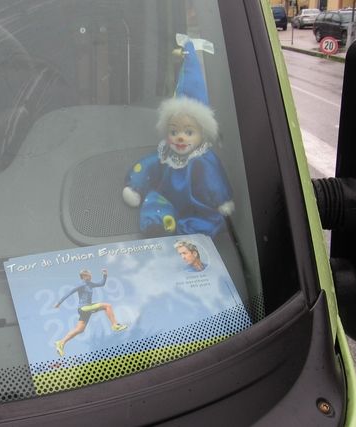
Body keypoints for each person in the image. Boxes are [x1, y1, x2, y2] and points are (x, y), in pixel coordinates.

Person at [122, 35, 234, 238]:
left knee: (208, 219)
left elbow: (214, 181)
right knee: (154, 200)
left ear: (202, 133)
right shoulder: (166, 154)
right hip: (166, 198)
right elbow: (148, 165)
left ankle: (183, 228)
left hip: (196, 204)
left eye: (189, 132)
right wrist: (136, 185)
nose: (180, 138)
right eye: (174, 131)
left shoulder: (204, 159)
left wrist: (222, 201)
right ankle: (158, 224)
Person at [54, 268, 127, 357]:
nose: (91, 275)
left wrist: (105, 275)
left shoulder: (90, 284)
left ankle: (61, 343)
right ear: (84, 276)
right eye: (89, 274)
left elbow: (101, 284)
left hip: (87, 308)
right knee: (107, 306)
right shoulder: (81, 284)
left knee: (80, 329)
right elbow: (69, 293)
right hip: (84, 308)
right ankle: (115, 325)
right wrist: (59, 303)